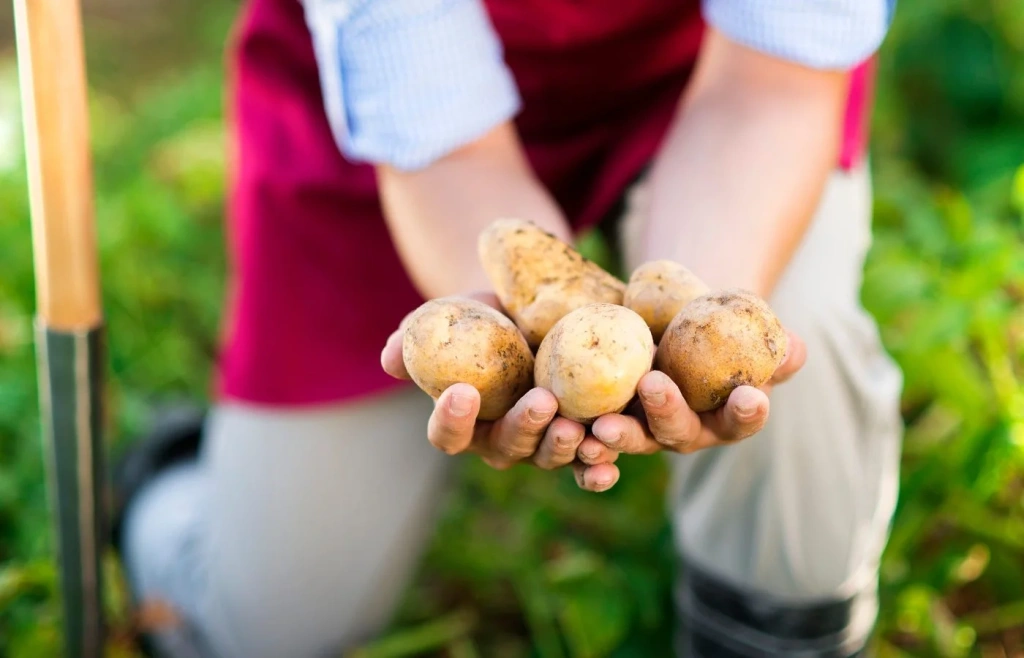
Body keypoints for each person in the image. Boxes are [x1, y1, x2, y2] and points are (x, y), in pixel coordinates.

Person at [111, 0, 905, 656]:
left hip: (701, 79)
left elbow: (767, 93)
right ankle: (167, 482)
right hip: (405, 134)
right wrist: (507, 347)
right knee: (269, 628)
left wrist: (693, 328)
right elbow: (450, 154)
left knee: (795, 345)